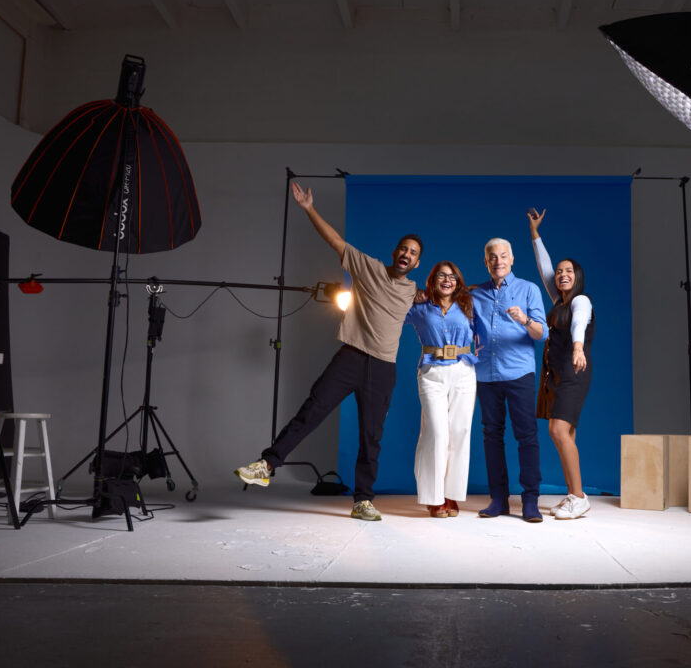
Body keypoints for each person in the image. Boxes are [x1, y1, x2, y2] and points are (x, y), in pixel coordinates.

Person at [234, 181, 422, 522]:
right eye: (402, 249)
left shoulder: (415, 293)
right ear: (395, 252)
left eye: (412, 252)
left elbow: (456, 292)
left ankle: (363, 501)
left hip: (383, 368)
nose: (406, 254)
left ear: (417, 262)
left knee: (371, 436)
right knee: (312, 409)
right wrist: (308, 208)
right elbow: (335, 240)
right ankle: (267, 464)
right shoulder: (370, 268)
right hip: (350, 357)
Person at [471, 237, 549, 522]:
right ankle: (499, 499)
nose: (498, 261)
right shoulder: (475, 294)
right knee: (491, 436)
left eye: (504, 255)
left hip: (519, 374)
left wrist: (525, 320)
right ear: (486, 262)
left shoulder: (528, 289)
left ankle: (530, 501)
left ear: (512, 259)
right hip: (486, 375)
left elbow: (542, 334)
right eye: (493, 257)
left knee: (526, 436)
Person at [529, 208, 594, 520]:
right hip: (554, 375)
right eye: (560, 271)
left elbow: (579, 323)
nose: (561, 274)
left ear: (577, 276)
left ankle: (579, 497)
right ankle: (573, 495)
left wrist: (578, 346)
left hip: (573, 372)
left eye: (568, 271)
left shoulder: (580, 301)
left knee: (558, 430)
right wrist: (535, 233)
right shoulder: (558, 300)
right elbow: (544, 268)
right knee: (566, 434)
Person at [403, 261, 477, 518]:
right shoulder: (420, 308)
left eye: (452, 276)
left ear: (458, 281)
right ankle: (433, 497)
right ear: (432, 280)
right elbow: (392, 313)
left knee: (460, 432)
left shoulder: (468, 305)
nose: (447, 280)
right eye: (442, 276)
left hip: (464, 372)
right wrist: (410, 294)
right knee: (436, 433)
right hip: (431, 373)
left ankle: (450, 496)